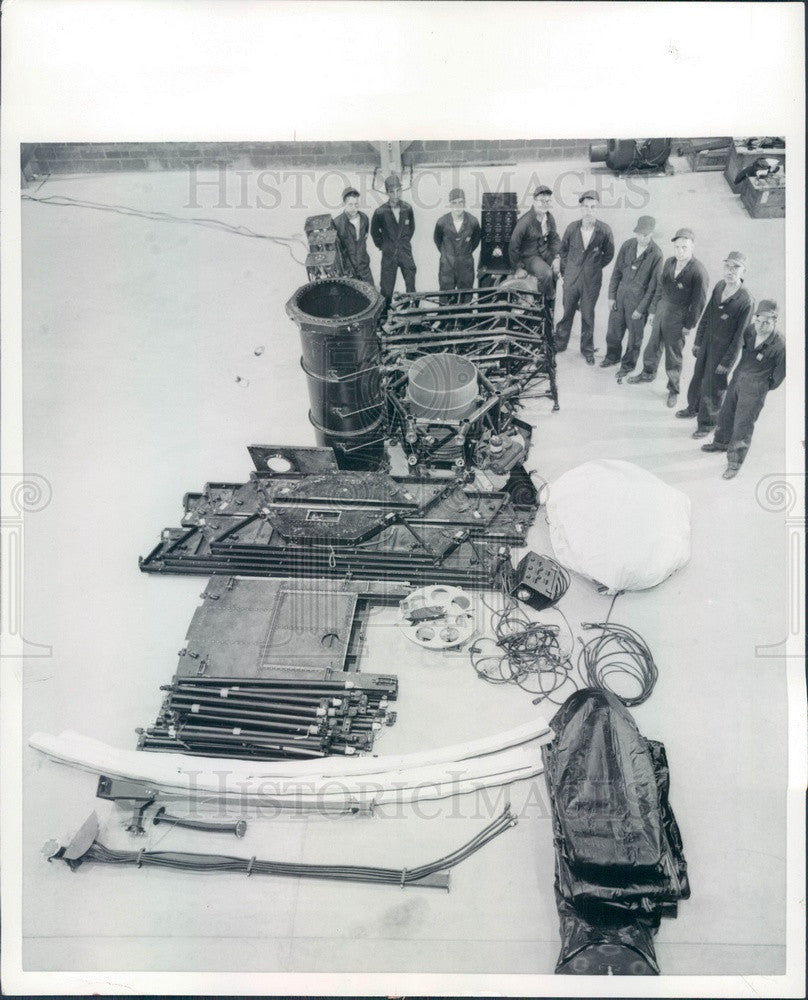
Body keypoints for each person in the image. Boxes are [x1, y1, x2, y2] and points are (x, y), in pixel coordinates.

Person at [701, 300, 785, 479]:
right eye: (759, 321)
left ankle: (735, 461)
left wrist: (762, 385)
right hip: (737, 379)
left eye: (767, 322)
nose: (761, 326)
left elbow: (778, 376)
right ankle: (720, 442)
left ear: (775, 321)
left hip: (755, 388)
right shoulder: (750, 331)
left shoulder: (780, 345)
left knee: (743, 423)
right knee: (726, 414)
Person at [627, 228, 709, 406]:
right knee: (652, 346)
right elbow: (660, 288)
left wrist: (689, 325)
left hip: (678, 318)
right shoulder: (670, 262)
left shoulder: (698, 272)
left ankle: (673, 389)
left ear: (692, 246)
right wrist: (653, 311)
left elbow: (698, 303)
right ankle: (648, 373)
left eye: (684, 248)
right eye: (677, 247)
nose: (680, 251)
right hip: (662, 311)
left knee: (673, 355)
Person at [676, 250, 754, 436]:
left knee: (714, 385)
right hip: (706, 345)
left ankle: (708, 423)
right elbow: (707, 315)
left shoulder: (746, 300)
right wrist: (697, 341)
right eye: (727, 266)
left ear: (744, 271)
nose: (730, 271)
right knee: (698, 377)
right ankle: (693, 408)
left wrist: (727, 362)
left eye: (736, 268)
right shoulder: (719, 286)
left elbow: (740, 337)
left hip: (723, 350)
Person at [555, 190, 615, 364]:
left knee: (588, 315)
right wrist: (568, 270)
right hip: (571, 279)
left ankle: (587, 349)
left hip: (591, 281)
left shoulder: (604, 230)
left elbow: (609, 254)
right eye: (586, 207)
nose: (589, 210)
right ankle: (560, 344)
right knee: (567, 312)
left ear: (597, 209)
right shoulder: (572, 228)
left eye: (593, 207)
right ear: (581, 208)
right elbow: (563, 250)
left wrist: (594, 267)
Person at [602, 215, 663, 376]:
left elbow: (654, 287)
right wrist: (611, 296)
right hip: (620, 297)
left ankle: (627, 365)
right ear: (636, 232)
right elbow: (616, 272)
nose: (643, 238)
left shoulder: (656, 254)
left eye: (647, 234)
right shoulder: (627, 245)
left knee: (634, 338)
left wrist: (642, 309)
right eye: (640, 234)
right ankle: (612, 357)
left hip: (638, 303)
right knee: (613, 331)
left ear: (652, 234)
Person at [371, 174, 416, 307]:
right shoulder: (380, 212)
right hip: (389, 255)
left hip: (405, 253)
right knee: (386, 289)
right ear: (387, 193)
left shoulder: (407, 209)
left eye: (398, 191)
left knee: (411, 285)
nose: (396, 195)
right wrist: (384, 246)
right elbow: (374, 233)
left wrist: (403, 242)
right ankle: (385, 317)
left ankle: (412, 313)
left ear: (401, 190)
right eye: (392, 192)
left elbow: (411, 229)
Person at [507, 186, 560, 300]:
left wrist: (556, 257)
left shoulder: (549, 218)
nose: (544, 204)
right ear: (534, 201)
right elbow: (513, 245)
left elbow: (554, 239)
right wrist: (517, 268)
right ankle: (549, 298)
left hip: (545, 253)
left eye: (547, 201)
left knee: (565, 267)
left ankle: (569, 299)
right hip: (530, 257)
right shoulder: (525, 221)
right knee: (546, 273)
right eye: (541, 201)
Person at [433, 188, 481, 298]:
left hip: (465, 266)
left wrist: (464, 252)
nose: (458, 206)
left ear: (465, 203)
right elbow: (437, 240)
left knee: (466, 297)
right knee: (445, 298)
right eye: (454, 203)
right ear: (450, 204)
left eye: (461, 202)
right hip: (447, 266)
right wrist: (447, 253)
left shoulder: (473, 222)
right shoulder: (442, 222)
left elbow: (476, 240)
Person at [333, 186, 374, 285]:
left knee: (372, 292)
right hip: (348, 270)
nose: (354, 208)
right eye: (350, 204)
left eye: (356, 204)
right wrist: (344, 271)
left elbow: (364, 238)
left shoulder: (364, 218)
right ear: (344, 204)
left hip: (364, 266)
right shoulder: (337, 223)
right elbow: (337, 249)